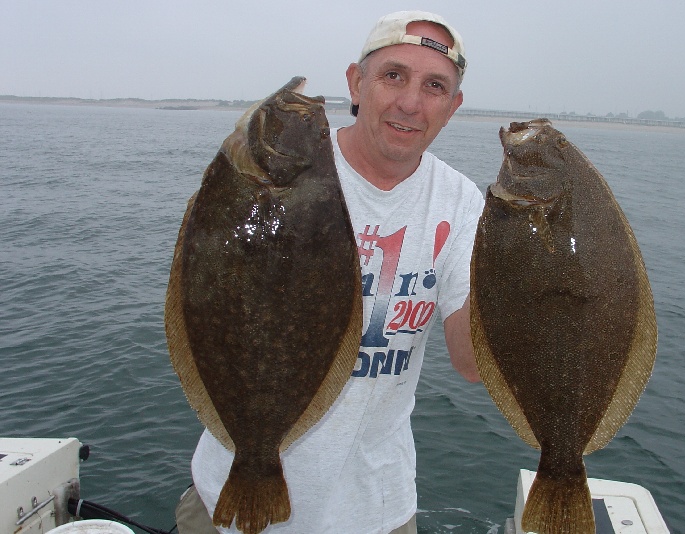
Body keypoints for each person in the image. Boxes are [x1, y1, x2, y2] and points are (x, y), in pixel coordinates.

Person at [176, 11, 484, 534]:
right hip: (224, 496)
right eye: (393, 75)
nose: (410, 102)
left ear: (452, 108)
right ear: (355, 83)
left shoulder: (458, 202)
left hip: (376, 512)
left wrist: (545, 284)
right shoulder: (266, 176)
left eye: (435, 86)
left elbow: (473, 362)